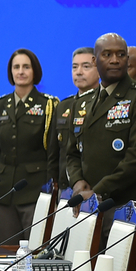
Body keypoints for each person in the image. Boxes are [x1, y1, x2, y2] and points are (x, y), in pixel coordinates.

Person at [64, 33, 136, 240]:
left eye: (121, 55)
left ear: (127, 60)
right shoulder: (82, 103)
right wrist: (77, 182)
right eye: (107, 54)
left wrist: (98, 190)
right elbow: (72, 152)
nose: (114, 60)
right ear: (95, 60)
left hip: (133, 205)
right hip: (93, 205)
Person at [0, 49, 58, 243]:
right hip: (2, 194)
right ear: (10, 72)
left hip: (35, 193)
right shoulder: (0, 105)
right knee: (7, 256)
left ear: (35, 71)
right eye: (16, 67)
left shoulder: (49, 105)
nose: (20, 71)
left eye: (26, 67)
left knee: (34, 254)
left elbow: (55, 154)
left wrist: (55, 194)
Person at [50, 47, 99, 190]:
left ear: (99, 70)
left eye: (86, 66)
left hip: (92, 188)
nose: (79, 72)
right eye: (74, 67)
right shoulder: (63, 106)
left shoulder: (105, 104)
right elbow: (54, 155)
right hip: (64, 189)